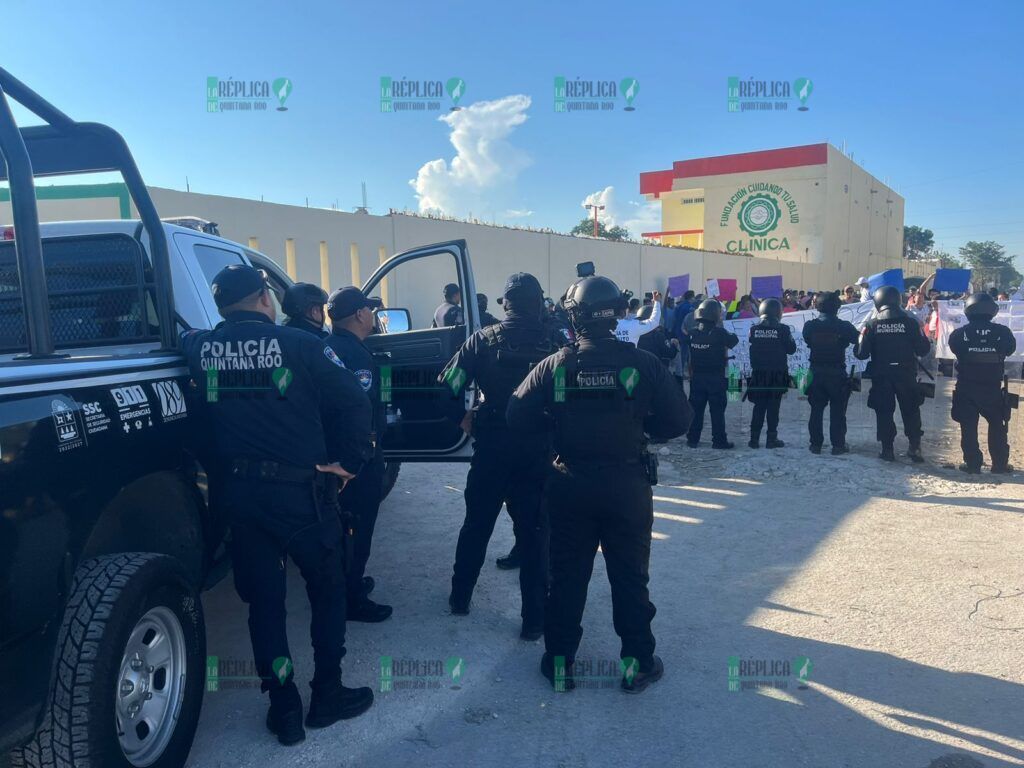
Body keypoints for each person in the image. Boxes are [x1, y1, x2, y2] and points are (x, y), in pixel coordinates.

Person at [183, 265, 374, 745]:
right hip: (302, 497)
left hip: (241, 498)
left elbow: (185, 338)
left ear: (223, 305)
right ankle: (327, 696)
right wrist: (350, 463)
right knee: (327, 592)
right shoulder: (304, 346)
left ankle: (283, 707)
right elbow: (354, 400)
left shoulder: (203, 348)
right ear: (266, 299)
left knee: (265, 606)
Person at [506, 275, 692, 693]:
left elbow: (515, 415)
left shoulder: (556, 364)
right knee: (630, 575)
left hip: (569, 482)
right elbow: (679, 421)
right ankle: (638, 663)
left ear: (573, 317)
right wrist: (642, 427)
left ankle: (559, 664)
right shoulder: (643, 363)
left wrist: (554, 426)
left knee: (567, 575)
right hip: (627, 484)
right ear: (619, 312)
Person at [440, 272, 568, 639]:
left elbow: (446, 385)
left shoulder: (482, 340)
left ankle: (459, 598)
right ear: (539, 303)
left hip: (492, 446)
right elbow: (567, 398)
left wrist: (462, 420)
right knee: (534, 534)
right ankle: (533, 622)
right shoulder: (555, 343)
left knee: (476, 525)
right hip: (537, 450)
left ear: (505, 304)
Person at [325, 286, 394, 623]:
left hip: (332, 458)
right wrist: (357, 461)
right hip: (355, 463)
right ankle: (350, 599)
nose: (373, 314)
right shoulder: (355, 355)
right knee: (357, 532)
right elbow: (358, 412)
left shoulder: (326, 347)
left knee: (340, 531)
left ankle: (347, 584)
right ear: (359, 315)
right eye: (369, 309)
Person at [855, 285, 931, 462]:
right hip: (906, 374)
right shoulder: (911, 323)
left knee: (884, 412)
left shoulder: (871, 325)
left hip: (882, 375)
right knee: (911, 410)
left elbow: (861, 353)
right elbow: (924, 349)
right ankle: (915, 447)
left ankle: (887, 449)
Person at [949, 292, 1016, 474]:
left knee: (968, 427)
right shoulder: (1003, 333)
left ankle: (972, 464)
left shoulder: (959, 334)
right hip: (992, 389)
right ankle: (1000, 464)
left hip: (966, 388)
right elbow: (1010, 349)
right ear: (992, 310)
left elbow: (955, 350)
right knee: (997, 426)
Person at [803, 291, 860, 454]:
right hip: (836, 373)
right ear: (837, 307)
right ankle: (838, 445)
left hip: (815, 372)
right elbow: (858, 340)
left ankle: (815, 444)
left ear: (817, 306)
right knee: (838, 411)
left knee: (816, 410)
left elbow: (808, 340)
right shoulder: (844, 326)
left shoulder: (810, 326)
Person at [686, 299, 739, 449]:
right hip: (716, 378)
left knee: (696, 411)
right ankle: (719, 441)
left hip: (697, 378)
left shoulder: (693, 333)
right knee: (717, 412)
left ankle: (693, 439)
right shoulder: (720, 333)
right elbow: (733, 341)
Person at [746, 298, 796, 449]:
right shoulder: (783, 330)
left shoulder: (753, 330)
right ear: (778, 312)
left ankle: (754, 440)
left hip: (758, 374)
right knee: (773, 408)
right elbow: (791, 349)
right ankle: (771, 439)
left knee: (758, 407)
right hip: (777, 375)